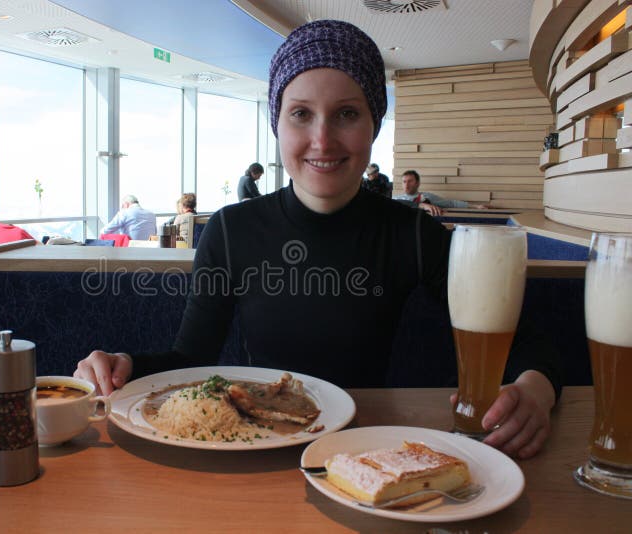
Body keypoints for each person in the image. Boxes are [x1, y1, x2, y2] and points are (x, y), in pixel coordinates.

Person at [75, 20, 559, 459]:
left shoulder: (414, 234)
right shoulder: (230, 229)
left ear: (374, 125)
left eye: (347, 114)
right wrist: (122, 366)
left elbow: (525, 341)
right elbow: (191, 360)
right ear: (277, 124)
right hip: (258, 449)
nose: (323, 140)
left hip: (366, 447)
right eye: (301, 114)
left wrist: (536, 389)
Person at [394, 170, 487, 215]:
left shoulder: (426, 197)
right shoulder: (395, 199)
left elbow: (451, 203)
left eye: (410, 181)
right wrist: (422, 205)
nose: (406, 185)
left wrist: (476, 206)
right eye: (404, 181)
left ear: (418, 183)